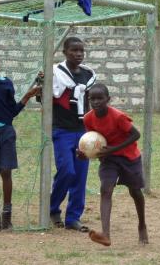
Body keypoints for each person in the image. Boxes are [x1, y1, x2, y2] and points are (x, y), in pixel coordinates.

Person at [79, 83, 148, 246]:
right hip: (109, 160)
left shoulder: (117, 116)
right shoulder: (88, 118)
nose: (95, 102)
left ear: (108, 99)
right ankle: (106, 234)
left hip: (129, 157)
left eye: (99, 98)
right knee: (105, 189)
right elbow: (93, 141)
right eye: (92, 99)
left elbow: (135, 134)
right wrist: (84, 154)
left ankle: (142, 225)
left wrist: (114, 149)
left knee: (136, 192)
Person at [50, 37, 96, 231]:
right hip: (62, 130)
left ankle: (73, 217)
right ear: (64, 52)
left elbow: (89, 102)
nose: (78, 54)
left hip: (82, 131)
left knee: (80, 175)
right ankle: (52, 208)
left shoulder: (88, 75)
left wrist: (91, 128)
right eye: (74, 51)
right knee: (67, 170)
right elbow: (45, 97)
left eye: (81, 51)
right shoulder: (56, 73)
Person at [0, 53, 41, 230]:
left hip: (6, 132)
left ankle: (7, 217)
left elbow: (12, 111)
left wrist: (28, 96)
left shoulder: (5, 84)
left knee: (6, 171)